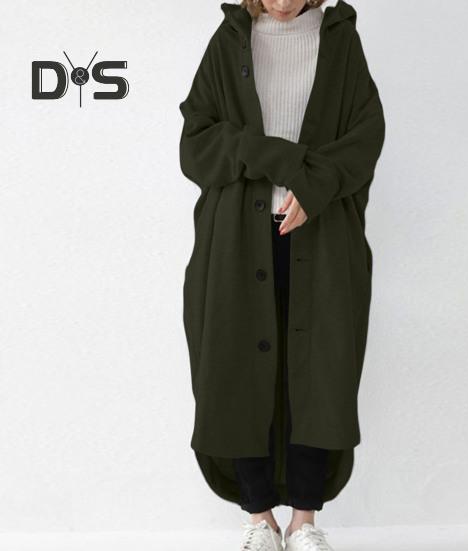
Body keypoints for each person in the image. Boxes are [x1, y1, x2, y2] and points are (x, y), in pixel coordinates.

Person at [179, 0, 385, 549]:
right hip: (236, 240)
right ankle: (259, 521)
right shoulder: (230, 41)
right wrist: (280, 158)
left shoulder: (339, 41)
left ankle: (304, 523)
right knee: (235, 370)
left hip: (322, 235)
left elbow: (366, 137)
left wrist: (312, 188)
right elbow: (196, 144)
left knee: (319, 374)